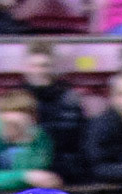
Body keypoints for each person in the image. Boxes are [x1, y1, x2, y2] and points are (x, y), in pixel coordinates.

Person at [20, 42, 89, 183]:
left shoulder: (70, 98)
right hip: (27, 167)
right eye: (35, 66)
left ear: (53, 68)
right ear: (26, 68)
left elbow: (78, 138)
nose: (40, 71)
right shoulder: (16, 98)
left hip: (66, 169)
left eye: (45, 66)